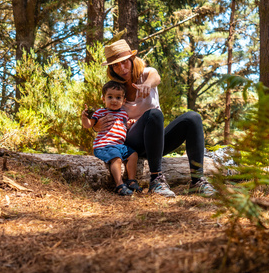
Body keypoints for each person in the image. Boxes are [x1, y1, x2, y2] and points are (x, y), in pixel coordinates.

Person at [93, 39, 216, 198]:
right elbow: (103, 115)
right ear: (111, 68)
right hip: (132, 144)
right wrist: (96, 126)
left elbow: (155, 77)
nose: (122, 68)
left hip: (155, 141)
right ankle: (156, 180)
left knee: (192, 117)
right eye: (116, 65)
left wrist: (148, 85)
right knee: (154, 114)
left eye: (124, 62)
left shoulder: (147, 73)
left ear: (131, 59)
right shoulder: (115, 89)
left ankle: (197, 182)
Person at [81, 81, 141, 196]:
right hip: (104, 145)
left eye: (118, 97)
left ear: (124, 101)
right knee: (116, 158)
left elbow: (123, 128)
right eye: (110, 97)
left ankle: (131, 180)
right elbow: (88, 125)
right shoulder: (101, 112)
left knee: (133, 155)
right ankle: (119, 185)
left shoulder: (124, 113)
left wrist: (129, 125)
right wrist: (84, 118)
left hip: (120, 145)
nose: (114, 100)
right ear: (103, 98)